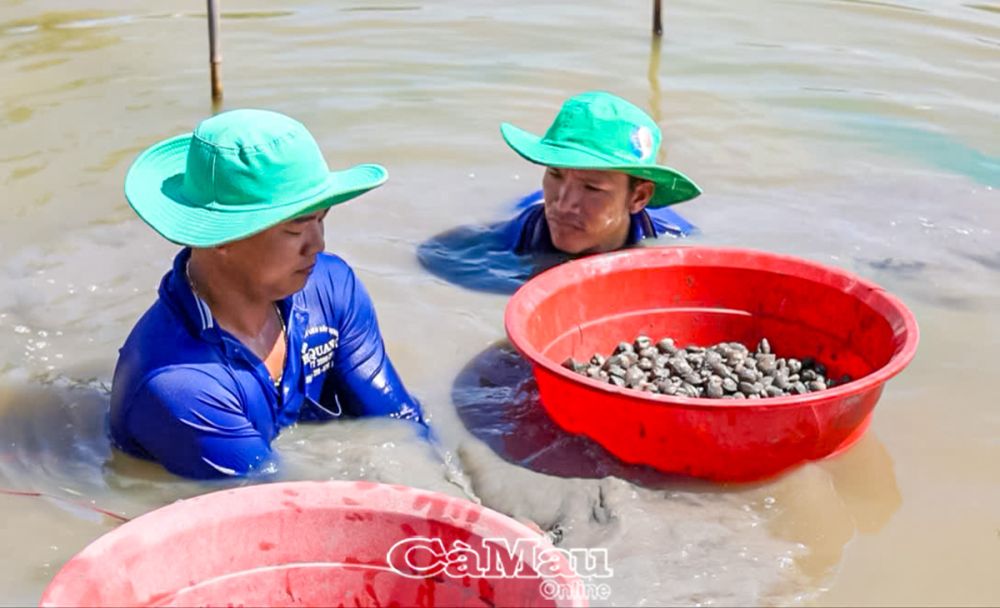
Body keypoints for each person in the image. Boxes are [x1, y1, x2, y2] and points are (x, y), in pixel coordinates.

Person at [109, 109, 424, 479]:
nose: (318, 245)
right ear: (222, 237)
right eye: (296, 230)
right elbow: (278, 498)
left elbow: (399, 422)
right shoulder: (181, 386)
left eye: (323, 218)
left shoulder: (332, 287)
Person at [418, 91, 703, 293]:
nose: (564, 204)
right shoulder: (512, 239)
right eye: (554, 174)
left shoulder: (672, 237)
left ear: (639, 197)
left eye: (592, 187)